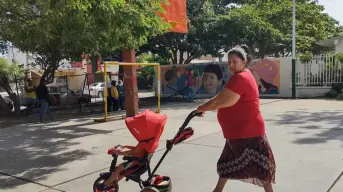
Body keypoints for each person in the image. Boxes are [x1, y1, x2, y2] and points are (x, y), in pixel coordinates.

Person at [195, 45, 276, 192]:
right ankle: (217, 191)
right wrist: (205, 107)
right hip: (238, 133)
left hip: (247, 132)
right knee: (227, 165)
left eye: (234, 62)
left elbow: (222, 101)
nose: (231, 65)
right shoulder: (242, 76)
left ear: (243, 62)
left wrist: (202, 108)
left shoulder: (241, 78)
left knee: (260, 169)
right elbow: (221, 98)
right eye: (229, 62)